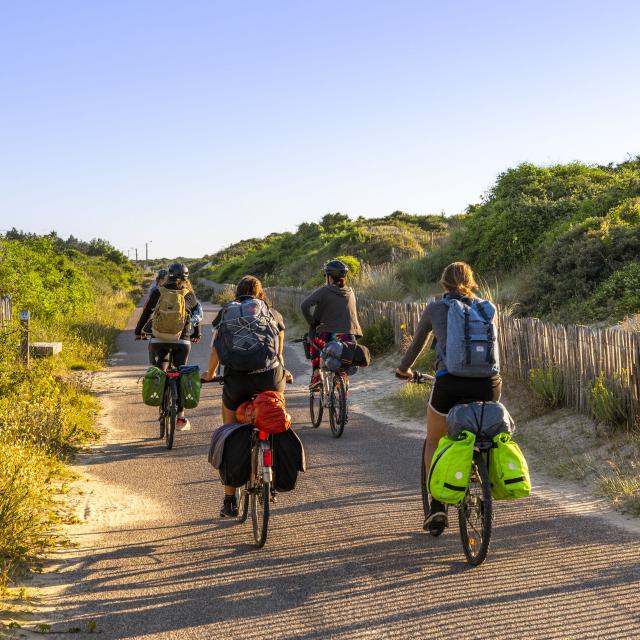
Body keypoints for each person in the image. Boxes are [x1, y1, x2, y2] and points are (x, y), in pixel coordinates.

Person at [395, 261, 501, 535]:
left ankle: (438, 505)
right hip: (489, 384)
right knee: (483, 435)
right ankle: (483, 478)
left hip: (450, 383)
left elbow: (417, 344)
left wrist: (404, 370)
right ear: (472, 281)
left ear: (443, 284)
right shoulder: (487, 308)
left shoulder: (435, 308)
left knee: (434, 439)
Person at [202, 275, 291, 517]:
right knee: (275, 415)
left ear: (236, 296)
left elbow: (215, 350)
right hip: (269, 376)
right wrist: (283, 369)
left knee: (229, 432)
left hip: (237, 380)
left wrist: (209, 375)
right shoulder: (271, 314)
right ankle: (271, 473)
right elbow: (279, 350)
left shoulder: (226, 314)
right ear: (261, 295)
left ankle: (230, 499)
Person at [135, 263, 202, 431]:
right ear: (186, 277)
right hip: (182, 340)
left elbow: (146, 313)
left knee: (161, 368)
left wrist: (139, 331)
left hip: (159, 339)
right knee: (180, 372)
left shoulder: (159, 291)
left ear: (168, 275)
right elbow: (197, 315)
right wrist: (196, 334)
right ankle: (180, 417)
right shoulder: (188, 293)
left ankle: (161, 391)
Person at [300, 259, 362, 389]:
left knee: (313, 339)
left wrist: (313, 323)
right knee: (343, 367)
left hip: (326, 336)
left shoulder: (325, 290)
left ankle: (316, 375)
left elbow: (305, 305)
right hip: (349, 338)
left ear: (329, 277)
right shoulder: (350, 292)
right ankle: (342, 379)